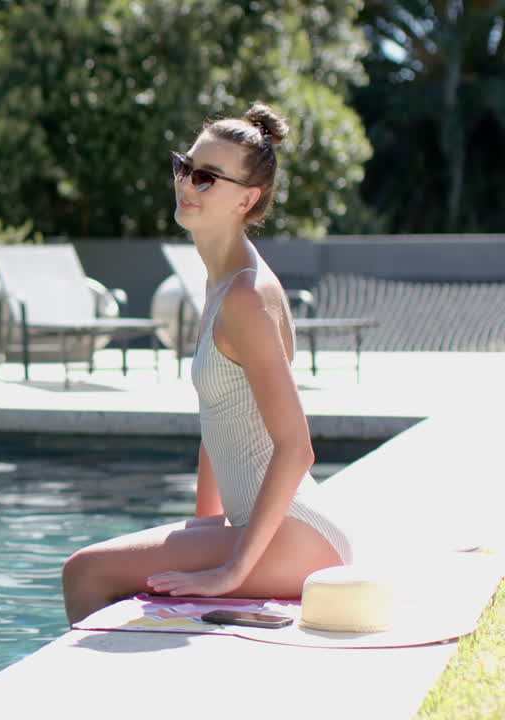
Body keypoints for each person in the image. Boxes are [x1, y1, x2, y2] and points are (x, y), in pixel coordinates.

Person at [61, 103, 352, 626]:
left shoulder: (245, 294)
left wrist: (230, 570)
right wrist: (206, 525)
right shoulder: (221, 282)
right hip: (268, 526)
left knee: (85, 572)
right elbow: (219, 422)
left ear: (247, 198)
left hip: (299, 535)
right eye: (184, 166)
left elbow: (297, 447)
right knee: (125, 560)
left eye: (205, 177)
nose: (186, 184)